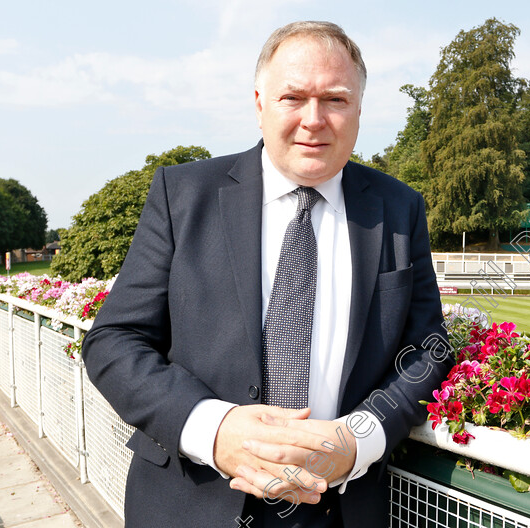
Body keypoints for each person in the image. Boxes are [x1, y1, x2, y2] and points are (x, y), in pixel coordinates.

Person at [82, 21, 452, 528]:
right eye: (293, 97)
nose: (314, 120)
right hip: (193, 500)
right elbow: (114, 341)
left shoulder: (400, 208)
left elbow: (427, 349)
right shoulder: (182, 194)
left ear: (359, 111)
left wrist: (358, 439)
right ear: (260, 104)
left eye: (336, 100)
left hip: (340, 506)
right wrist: (216, 429)